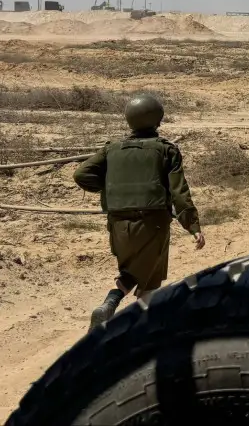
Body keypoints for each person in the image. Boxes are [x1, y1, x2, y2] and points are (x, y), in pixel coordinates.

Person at [73, 94, 205, 330]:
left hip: (118, 223)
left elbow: (81, 175)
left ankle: (113, 304)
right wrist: (193, 226)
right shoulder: (166, 150)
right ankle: (142, 327)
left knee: (131, 270)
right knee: (150, 276)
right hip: (153, 222)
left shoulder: (111, 149)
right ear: (157, 121)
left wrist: (111, 188)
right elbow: (179, 192)